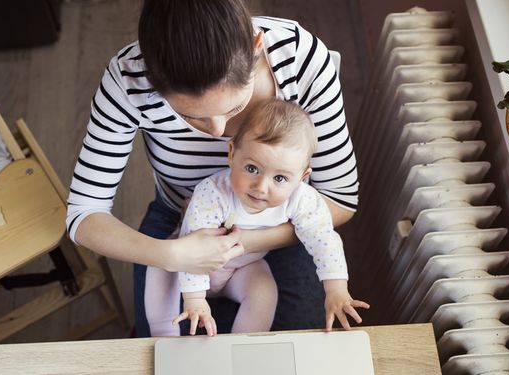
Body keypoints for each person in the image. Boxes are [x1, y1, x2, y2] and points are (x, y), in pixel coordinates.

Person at [66, 0, 359, 337]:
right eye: (192, 117)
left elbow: (340, 199)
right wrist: (172, 253)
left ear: (256, 48)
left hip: (281, 223)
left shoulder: (300, 59)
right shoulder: (128, 80)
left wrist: (242, 241)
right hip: (178, 220)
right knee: (164, 345)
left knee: (297, 341)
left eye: (236, 106)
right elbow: (83, 214)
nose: (220, 134)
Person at [148, 99, 368, 336]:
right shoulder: (213, 192)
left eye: (280, 179)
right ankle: (162, 336)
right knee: (159, 267)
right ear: (232, 153)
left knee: (264, 291)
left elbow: (323, 238)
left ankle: (243, 344)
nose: (261, 187)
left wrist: (336, 289)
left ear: (302, 177)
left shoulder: (303, 199)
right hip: (190, 262)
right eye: (252, 169)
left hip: (242, 268)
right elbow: (194, 247)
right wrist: (195, 299)